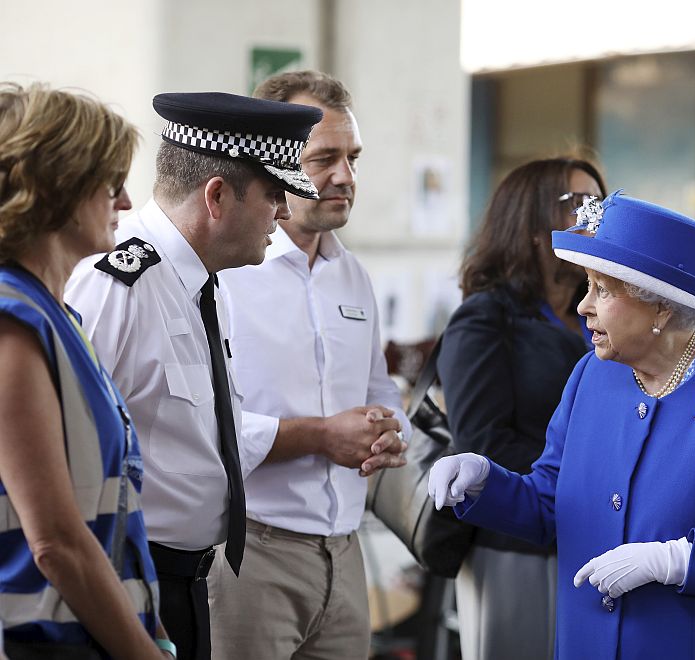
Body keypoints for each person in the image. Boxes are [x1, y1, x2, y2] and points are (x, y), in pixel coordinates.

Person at [429, 192, 695, 658]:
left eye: (603, 290)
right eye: (587, 286)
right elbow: (553, 503)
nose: (583, 306)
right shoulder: (592, 373)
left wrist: (677, 561)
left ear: (662, 308)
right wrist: (484, 482)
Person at [64, 92, 323, 660]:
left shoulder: (205, 286)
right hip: (128, 579)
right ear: (216, 196)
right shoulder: (119, 286)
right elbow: (66, 464)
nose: (283, 214)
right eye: (274, 195)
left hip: (187, 582)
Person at [206, 70, 408, 660]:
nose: (345, 176)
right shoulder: (223, 278)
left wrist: (387, 433)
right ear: (269, 161)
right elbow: (201, 428)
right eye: (324, 158)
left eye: (352, 157)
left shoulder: (354, 276)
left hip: (344, 555)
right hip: (252, 555)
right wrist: (322, 436)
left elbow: (379, 390)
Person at [0, 83, 171, 658]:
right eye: (110, 184)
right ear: (57, 188)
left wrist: (153, 629)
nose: (125, 202)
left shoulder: (58, 315)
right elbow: (56, 544)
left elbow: (109, 514)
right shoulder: (13, 322)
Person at [437, 157, 605, 660]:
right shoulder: (485, 319)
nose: (594, 219)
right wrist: (596, 478)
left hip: (597, 539)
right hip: (514, 546)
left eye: (600, 204)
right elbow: (482, 443)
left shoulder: (598, 316)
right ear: (532, 227)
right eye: (578, 205)